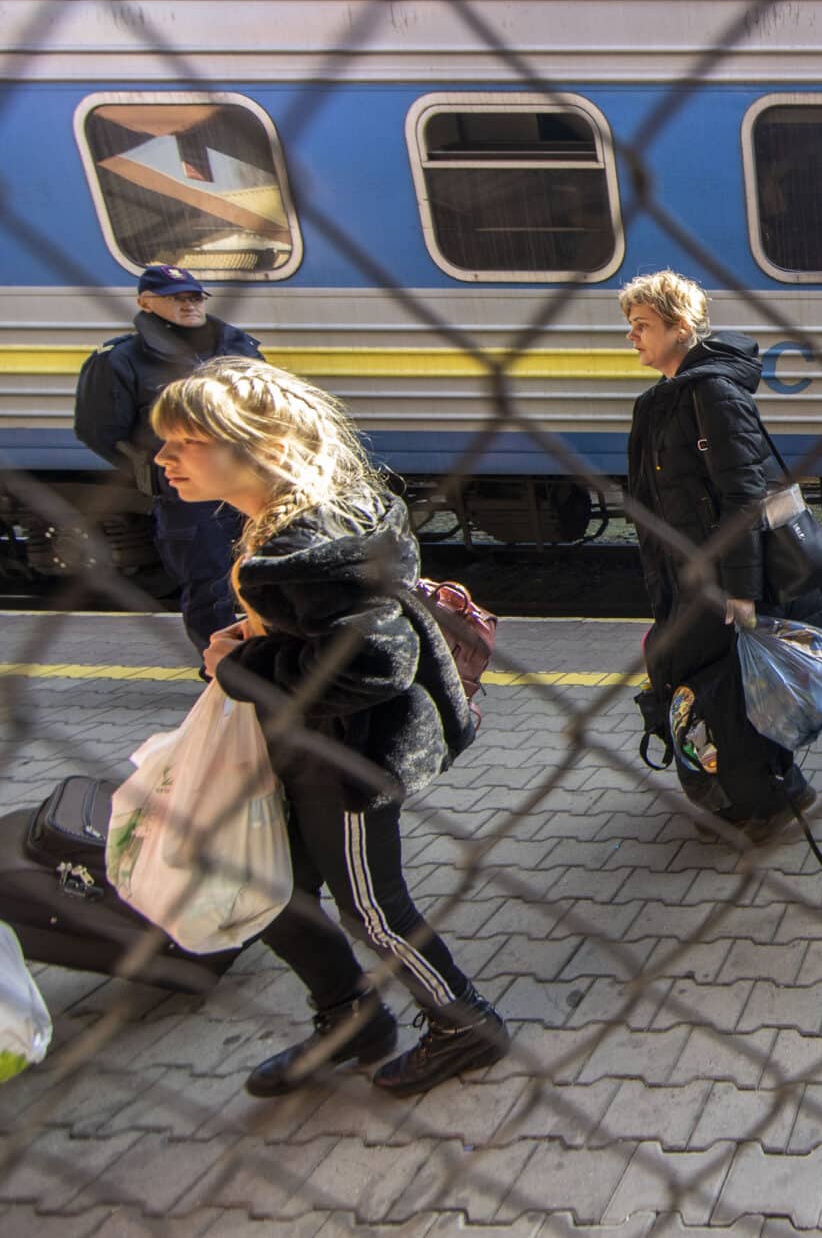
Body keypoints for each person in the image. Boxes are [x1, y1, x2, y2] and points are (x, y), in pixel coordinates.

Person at [149, 357, 506, 1098]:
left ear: (258, 445)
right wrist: (253, 649)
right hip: (308, 750)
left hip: (346, 761)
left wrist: (241, 666)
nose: (162, 457)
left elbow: (375, 663)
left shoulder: (301, 546)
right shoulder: (306, 520)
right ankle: (349, 1017)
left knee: (372, 906)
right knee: (269, 887)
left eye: (183, 442)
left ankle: (462, 1023)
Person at [622, 271, 822, 837]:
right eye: (631, 326)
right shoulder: (668, 397)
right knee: (717, 684)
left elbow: (742, 496)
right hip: (689, 574)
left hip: (719, 578)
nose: (632, 337)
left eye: (642, 326)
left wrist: (742, 590)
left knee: (726, 691)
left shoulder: (711, 393)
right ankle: (768, 790)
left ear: (680, 328)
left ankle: (760, 805)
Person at [73, 264, 265, 654]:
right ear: (145, 302)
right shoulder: (119, 359)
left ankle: (267, 664)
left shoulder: (238, 345)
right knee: (210, 585)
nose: (189, 304)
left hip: (250, 484)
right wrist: (160, 471)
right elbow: (99, 431)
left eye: (194, 297)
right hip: (189, 496)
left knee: (264, 577)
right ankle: (219, 675)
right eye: (175, 298)